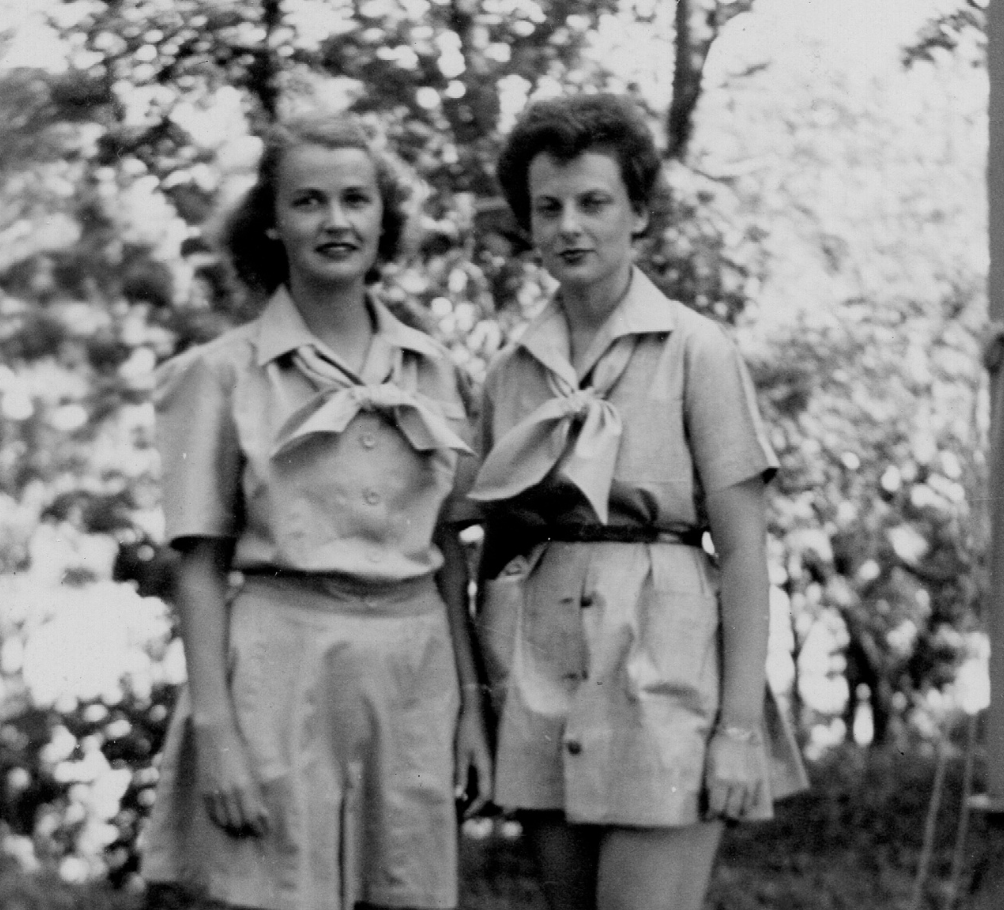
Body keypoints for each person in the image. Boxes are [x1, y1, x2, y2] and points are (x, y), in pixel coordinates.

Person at [140, 114, 491, 910]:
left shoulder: (433, 372)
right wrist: (217, 733)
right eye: (309, 202)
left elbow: (448, 553)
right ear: (272, 221)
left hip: (412, 675)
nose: (336, 221)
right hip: (279, 672)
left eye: (356, 200)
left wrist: (472, 709)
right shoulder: (219, 376)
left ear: (384, 217)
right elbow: (198, 565)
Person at [468, 94, 808, 910]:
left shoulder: (698, 350)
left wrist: (735, 730)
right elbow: (496, 549)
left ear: (638, 213)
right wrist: (492, 700)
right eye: (547, 208)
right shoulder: (512, 370)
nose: (569, 227)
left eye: (594, 203)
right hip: (546, 673)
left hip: (669, 671)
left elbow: (746, 556)